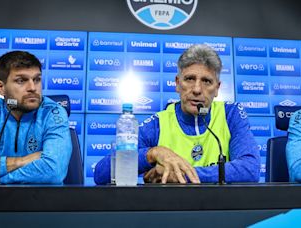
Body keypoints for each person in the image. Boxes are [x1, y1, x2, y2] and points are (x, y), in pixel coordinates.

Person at [94, 44, 260, 184]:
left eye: (206, 81)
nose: (196, 89)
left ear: (217, 88)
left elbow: (250, 169)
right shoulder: (158, 124)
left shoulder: (231, 114)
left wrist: (180, 175)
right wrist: (152, 154)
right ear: (177, 84)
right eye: (189, 79)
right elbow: (101, 173)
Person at [0, 51, 72, 184]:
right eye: (21, 80)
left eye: (37, 79)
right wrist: (23, 160)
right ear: (0, 87)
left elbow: (53, 171)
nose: (32, 88)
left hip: (44, 202)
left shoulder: (53, 113)